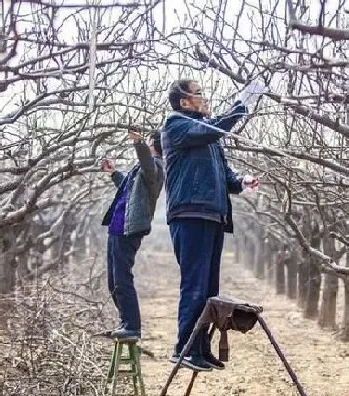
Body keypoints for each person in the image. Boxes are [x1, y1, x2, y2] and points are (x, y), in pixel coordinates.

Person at [161, 79, 262, 371]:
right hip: (191, 213)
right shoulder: (176, 125)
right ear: (184, 102)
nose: (205, 98)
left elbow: (226, 176)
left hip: (213, 214)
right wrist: (241, 106)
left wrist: (243, 181)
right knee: (194, 286)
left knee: (209, 290)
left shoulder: (207, 138)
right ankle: (185, 348)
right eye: (200, 93)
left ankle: (201, 348)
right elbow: (214, 128)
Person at [101, 130, 165, 341]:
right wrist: (113, 173)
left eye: (147, 142)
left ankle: (132, 327)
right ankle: (125, 322)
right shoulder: (143, 170)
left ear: (153, 145)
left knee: (122, 278)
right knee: (114, 281)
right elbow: (129, 190)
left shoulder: (155, 168)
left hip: (128, 229)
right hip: (117, 226)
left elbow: (147, 162)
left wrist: (138, 144)